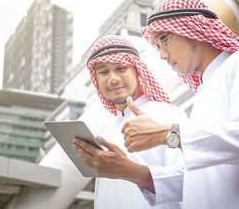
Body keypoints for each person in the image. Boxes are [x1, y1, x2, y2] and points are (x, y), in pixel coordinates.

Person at [121, 0, 239, 209]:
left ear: (190, 29)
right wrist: (126, 170)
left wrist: (168, 134)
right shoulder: (203, 94)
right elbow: (198, 179)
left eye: (163, 40)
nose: (162, 55)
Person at [73, 35, 188, 209]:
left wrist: (130, 171)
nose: (112, 78)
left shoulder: (167, 114)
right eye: (103, 72)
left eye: (120, 68)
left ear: (137, 70)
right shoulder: (108, 133)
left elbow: (189, 181)